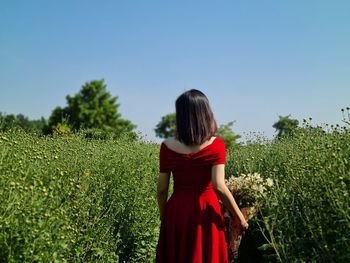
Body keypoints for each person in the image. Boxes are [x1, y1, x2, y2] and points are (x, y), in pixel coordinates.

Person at [156, 89, 249, 263]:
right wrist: (239, 216)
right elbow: (219, 186)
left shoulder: (166, 146)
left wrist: (165, 216)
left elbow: (162, 189)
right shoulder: (216, 145)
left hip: (176, 212)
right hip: (205, 212)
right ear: (206, 113)